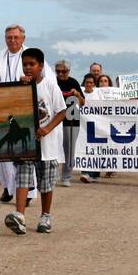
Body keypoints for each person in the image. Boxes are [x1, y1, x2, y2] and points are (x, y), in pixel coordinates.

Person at [4, 47, 66, 235]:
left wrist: (47, 128)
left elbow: (61, 111)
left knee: (45, 183)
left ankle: (45, 216)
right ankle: (19, 215)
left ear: (41, 66)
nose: (28, 68)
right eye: (25, 64)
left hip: (47, 145)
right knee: (22, 177)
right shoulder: (21, 86)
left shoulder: (50, 85)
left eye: (32, 64)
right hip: (27, 144)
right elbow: (13, 109)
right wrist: (21, 87)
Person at [0, 25, 34, 204]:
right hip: (3, 109)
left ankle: (29, 193)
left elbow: (45, 78)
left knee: (26, 152)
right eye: (9, 37)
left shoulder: (32, 55)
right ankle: (8, 188)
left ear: (23, 38)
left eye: (15, 37)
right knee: (3, 152)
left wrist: (31, 79)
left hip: (24, 108)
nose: (12, 40)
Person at [54, 59, 84, 187]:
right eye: (58, 71)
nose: (60, 74)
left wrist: (77, 94)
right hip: (54, 120)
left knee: (69, 149)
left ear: (68, 71)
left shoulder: (73, 82)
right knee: (53, 148)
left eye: (63, 71)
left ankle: (66, 176)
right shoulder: (52, 82)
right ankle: (53, 175)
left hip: (71, 120)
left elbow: (83, 103)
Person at [79, 74, 101, 182]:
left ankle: (94, 174)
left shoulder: (98, 93)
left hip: (96, 126)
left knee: (95, 149)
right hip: (83, 126)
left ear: (94, 84)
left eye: (91, 82)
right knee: (84, 148)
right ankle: (85, 172)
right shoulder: (80, 92)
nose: (89, 84)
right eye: (87, 82)